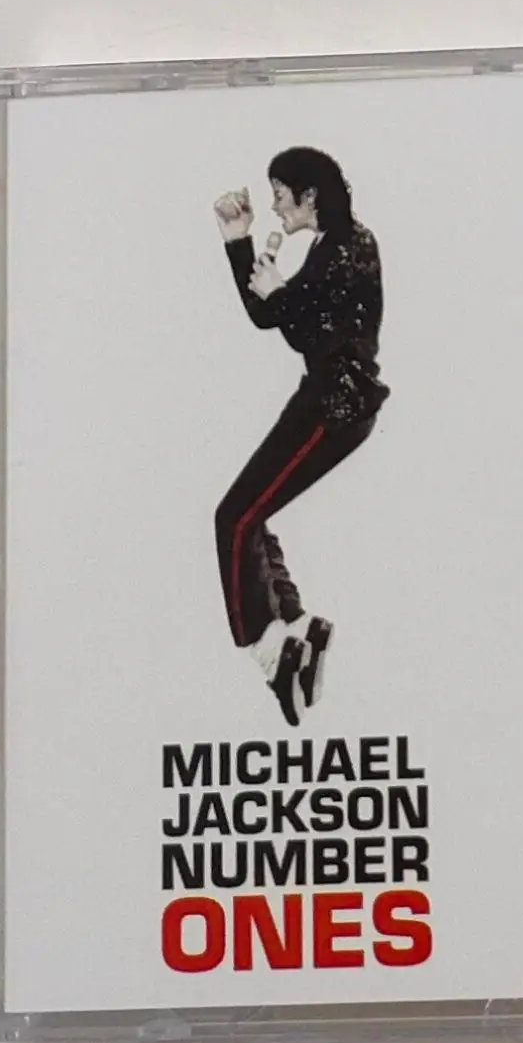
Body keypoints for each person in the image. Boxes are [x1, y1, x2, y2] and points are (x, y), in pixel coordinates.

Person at [212, 147, 389, 724]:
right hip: (327, 400)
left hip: (334, 407)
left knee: (234, 520)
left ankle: (269, 648)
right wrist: (238, 241)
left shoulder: (349, 246)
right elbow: (271, 316)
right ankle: (296, 625)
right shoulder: (330, 244)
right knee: (250, 515)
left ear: (310, 195)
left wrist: (282, 295)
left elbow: (313, 332)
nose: (275, 208)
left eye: (280, 197)